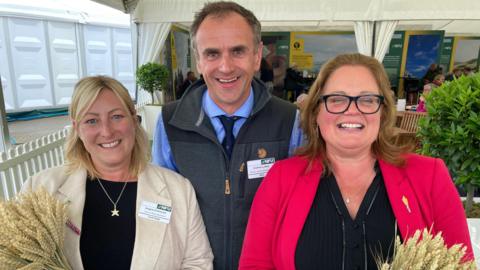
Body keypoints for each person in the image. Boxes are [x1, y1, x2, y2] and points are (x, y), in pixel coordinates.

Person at [239, 53, 474, 269]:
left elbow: (460, 263)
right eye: (337, 99)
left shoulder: (429, 176)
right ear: (316, 111)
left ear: (382, 112)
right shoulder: (281, 178)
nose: (352, 110)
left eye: (367, 99)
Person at [152, 2, 303, 269]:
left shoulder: (289, 121)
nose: (225, 66)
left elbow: (299, 211)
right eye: (212, 54)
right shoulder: (170, 123)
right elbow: (164, 207)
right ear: (198, 61)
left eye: (237, 51)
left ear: (257, 56)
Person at [21, 76, 213, 269]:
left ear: (133, 119)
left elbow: (198, 262)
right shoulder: (41, 189)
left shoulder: (179, 190)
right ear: (77, 128)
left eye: (116, 116)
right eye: (91, 120)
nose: (107, 131)